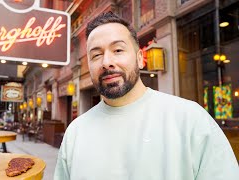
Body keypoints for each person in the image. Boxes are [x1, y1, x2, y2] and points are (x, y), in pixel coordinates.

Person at [54, 12, 239, 180]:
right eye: (96, 55)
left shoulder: (190, 119)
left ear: (140, 58)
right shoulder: (75, 133)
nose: (107, 62)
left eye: (118, 50)